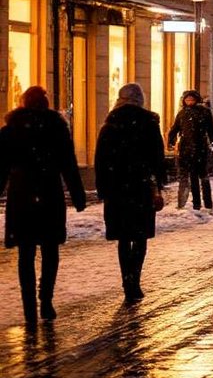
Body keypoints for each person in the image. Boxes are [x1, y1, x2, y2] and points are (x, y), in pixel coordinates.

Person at [0, 87, 87, 324]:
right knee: (50, 250)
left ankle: (29, 306)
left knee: (25, 253)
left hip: (22, 195)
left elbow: (1, 167)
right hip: (49, 194)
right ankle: (45, 299)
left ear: (23, 103)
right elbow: (69, 164)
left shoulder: (11, 130)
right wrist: (78, 195)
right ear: (46, 104)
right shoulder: (57, 128)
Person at [94, 83, 167, 303]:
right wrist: (158, 184)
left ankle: (127, 279)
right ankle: (134, 279)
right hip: (141, 187)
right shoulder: (149, 123)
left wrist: (103, 188)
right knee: (141, 235)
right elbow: (157, 158)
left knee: (124, 238)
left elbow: (101, 160)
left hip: (117, 189)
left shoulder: (110, 124)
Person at [167, 90, 213, 211]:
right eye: (187, 100)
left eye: (191, 99)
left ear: (196, 100)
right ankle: (197, 204)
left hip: (200, 149)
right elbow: (175, 128)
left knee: (203, 176)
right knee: (193, 176)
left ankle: (208, 203)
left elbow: (212, 130)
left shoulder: (204, 112)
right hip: (187, 149)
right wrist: (171, 139)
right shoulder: (182, 113)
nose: (189, 102)